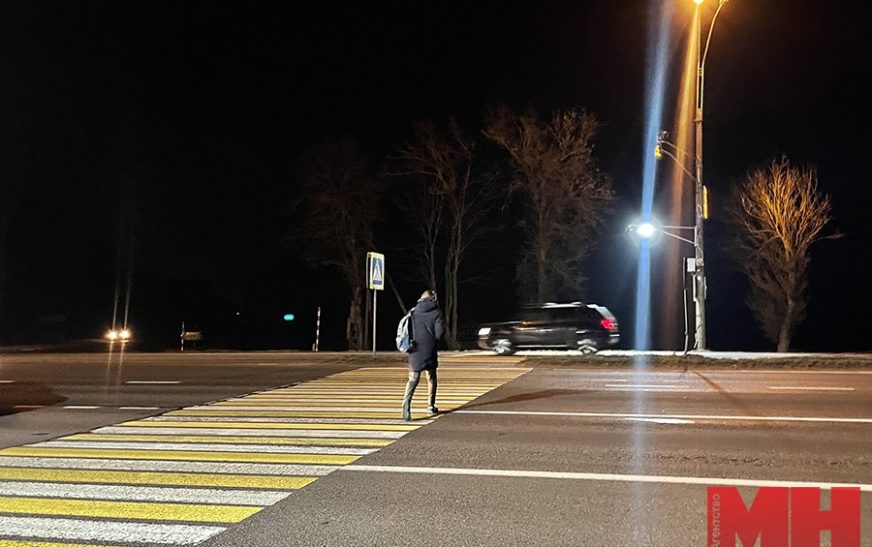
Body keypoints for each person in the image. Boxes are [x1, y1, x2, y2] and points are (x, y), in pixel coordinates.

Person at [402, 289, 445, 421]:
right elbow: (439, 334)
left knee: (413, 379)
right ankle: (430, 406)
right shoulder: (437, 312)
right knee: (431, 378)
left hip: (414, 350)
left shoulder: (414, 311)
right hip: (429, 350)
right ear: (433, 299)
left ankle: (406, 403)